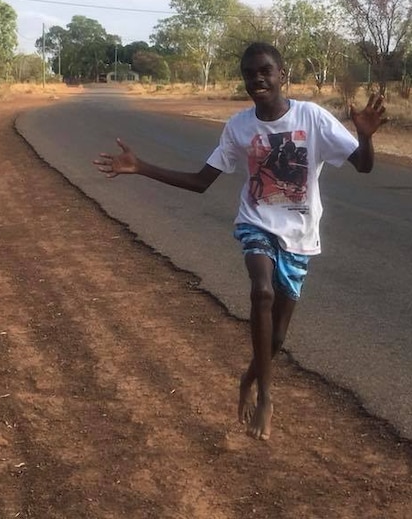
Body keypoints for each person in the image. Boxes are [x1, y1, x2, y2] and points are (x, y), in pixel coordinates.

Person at [94, 42, 387, 441]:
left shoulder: (312, 118)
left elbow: (364, 166)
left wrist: (366, 137)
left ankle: (250, 378)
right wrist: (141, 167)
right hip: (257, 223)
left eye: (265, 71)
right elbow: (201, 182)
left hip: (300, 235)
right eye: (250, 74)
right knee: (261, 292)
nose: (257, 79)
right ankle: (267, 395)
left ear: (282, 74)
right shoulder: (239, 127)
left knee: (278, 336)